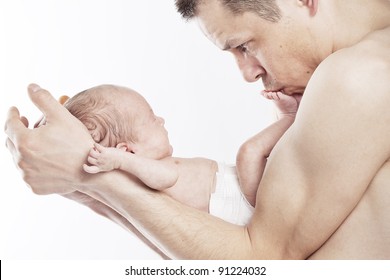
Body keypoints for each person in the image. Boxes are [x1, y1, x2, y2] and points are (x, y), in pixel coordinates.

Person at [5, 0, 390, 259]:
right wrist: (84, 187)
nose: (248, 72)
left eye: (244, 46)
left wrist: (87, 176)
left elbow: (261, 262)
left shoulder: (359, 76)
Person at [61, 84, 297, 223]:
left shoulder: (139, 175)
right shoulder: (150, 172)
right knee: (249, 153)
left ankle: (292, 125)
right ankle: (290, 118)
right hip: (238, 202)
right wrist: (122, 162)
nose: (161, 120)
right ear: (128, 151)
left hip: (236, 192)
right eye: (152, 119)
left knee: (276, 159)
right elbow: (166, 178)